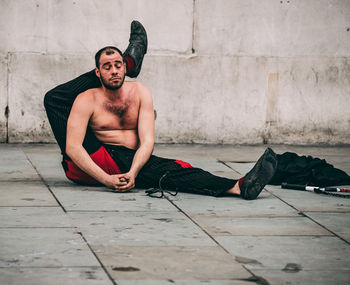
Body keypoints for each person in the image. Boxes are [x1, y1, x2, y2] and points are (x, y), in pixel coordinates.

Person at [44, 21, 277, 200]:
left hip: (128, 162)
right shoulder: (86, 99)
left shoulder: (141, 93)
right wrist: (107, 180)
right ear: (97, 73)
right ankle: (237, 186)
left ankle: (239, 187)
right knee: (53, 99)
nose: (114, 71)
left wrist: (134, 173)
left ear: (123, 68)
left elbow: (147, 142)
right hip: (90, 162)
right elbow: (73, 148)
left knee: (174, 171)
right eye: (107, 67)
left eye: (119, 65)